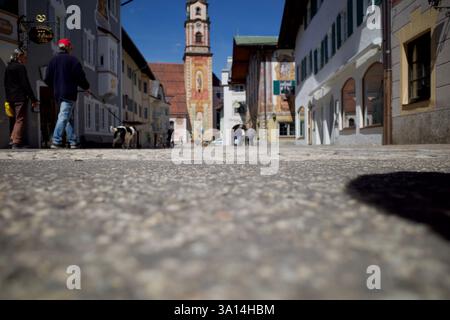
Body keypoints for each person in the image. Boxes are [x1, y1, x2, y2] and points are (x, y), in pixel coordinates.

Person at [44, 38, 90, 149]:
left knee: (68, 117)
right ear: (68, 47)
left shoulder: (53, 61)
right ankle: (56, 140)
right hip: (69, 93)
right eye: (71, 47)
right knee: (64, 116)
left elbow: (46, 79)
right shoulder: (73, 60)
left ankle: (73, 140)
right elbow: (80, 77)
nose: (71, 49)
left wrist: (56, 86)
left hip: (58, 93)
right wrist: (86, 87)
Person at [4, 49, 39, 149]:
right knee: (20, 119)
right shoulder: (20, 67)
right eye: (24, 57)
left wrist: (7, 98)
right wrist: (33, 99)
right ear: (19, 56)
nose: (26, 59)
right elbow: (25, 84)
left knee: (13, 119)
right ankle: (16, 141)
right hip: (20, 97)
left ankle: (12, 139)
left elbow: (5, 84)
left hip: (10, 98)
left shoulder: (8, 67)